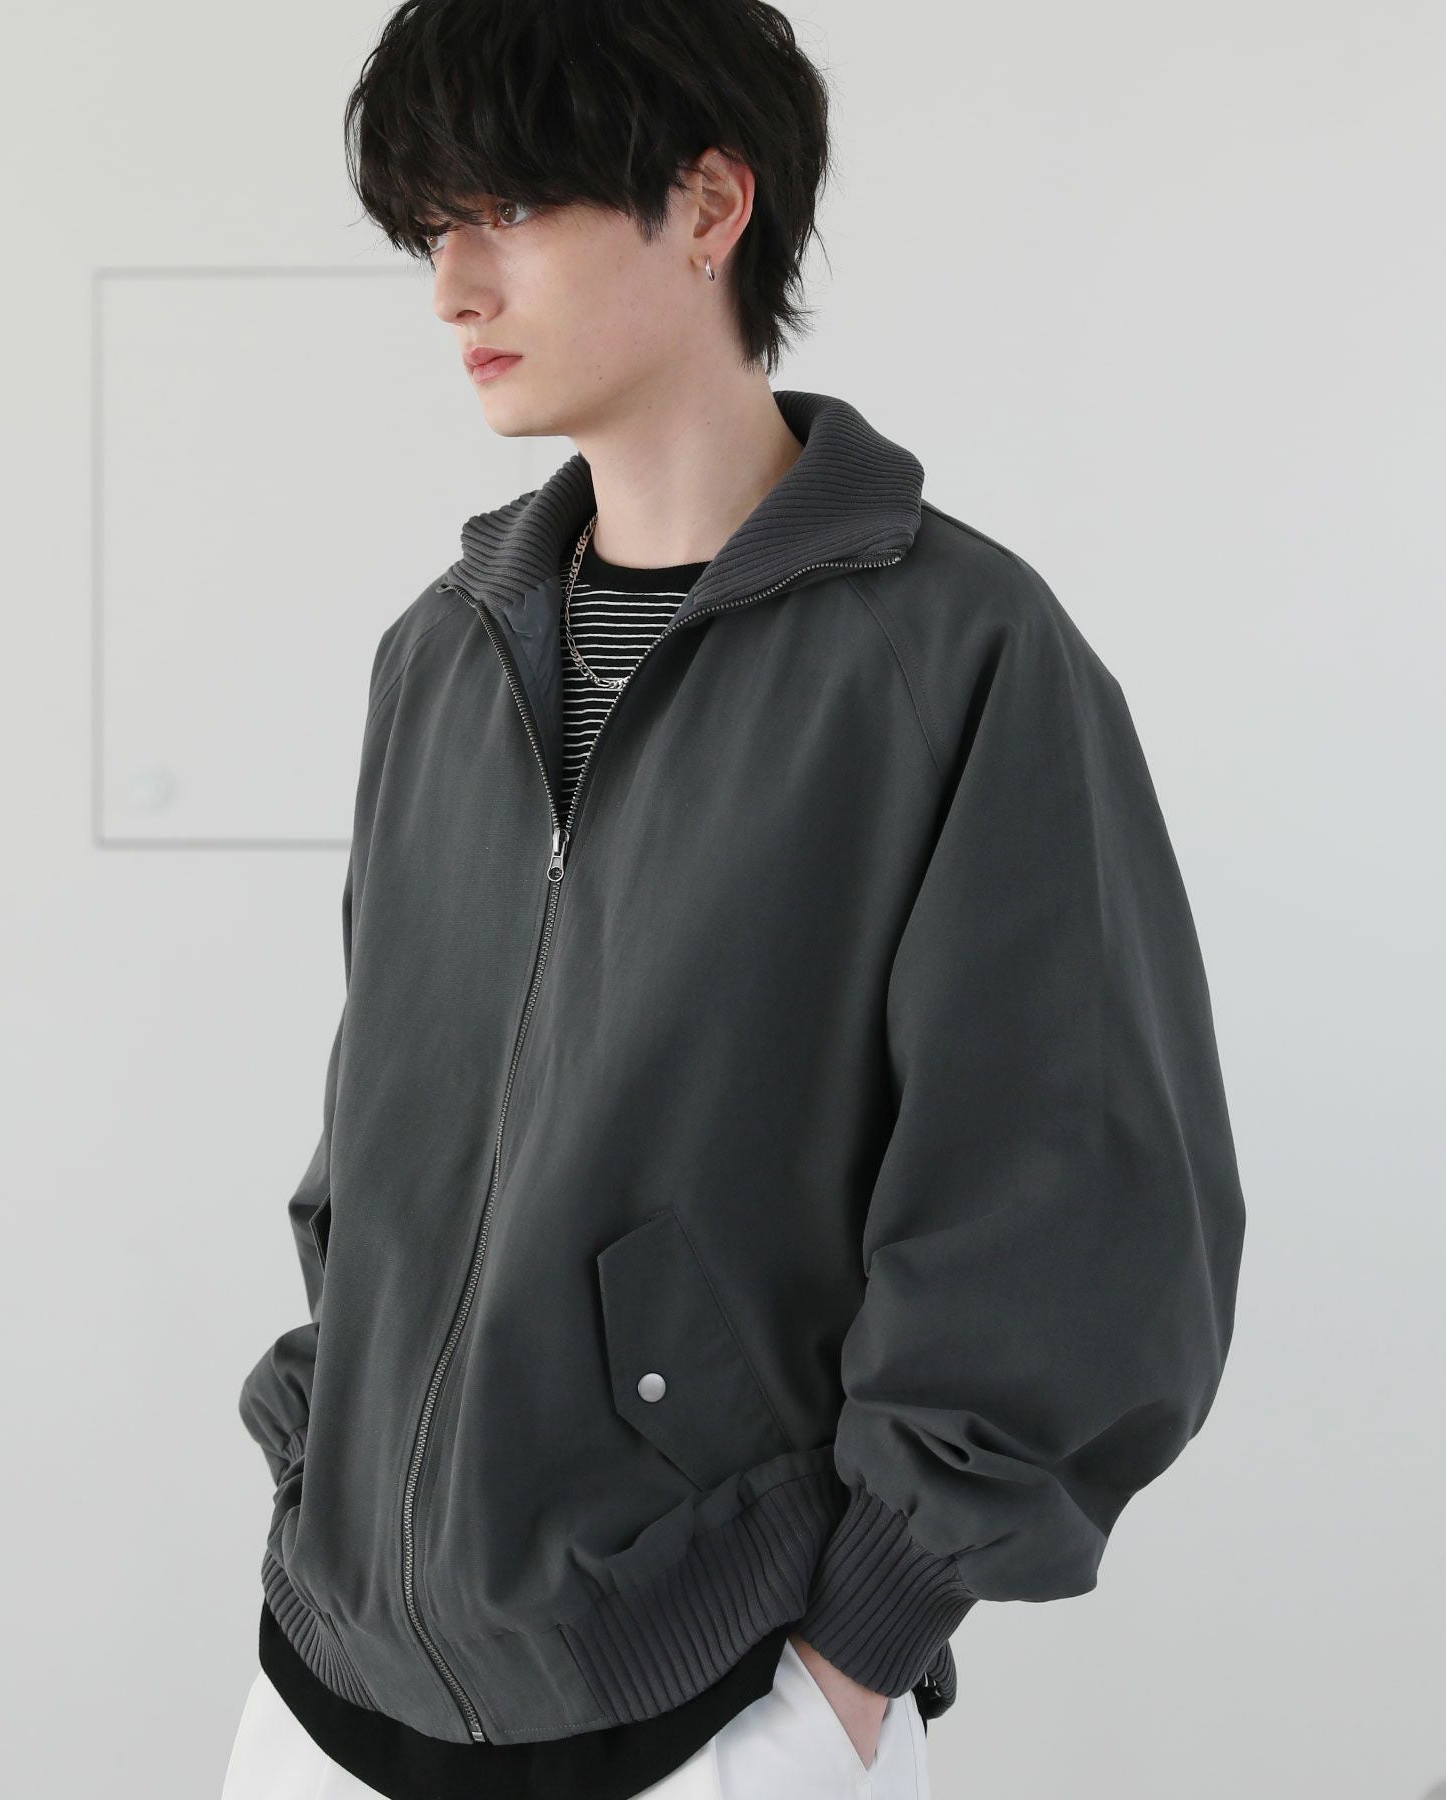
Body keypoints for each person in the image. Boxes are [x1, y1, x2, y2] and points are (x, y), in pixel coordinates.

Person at [222, 2, 1248, 1796]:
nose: (452, 286)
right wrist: (324, 1450)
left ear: (709, 206)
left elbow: (1074, 1208)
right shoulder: (442, 659)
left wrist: (853, 1658)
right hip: (326, 1691)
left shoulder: (956, 660)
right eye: (431, 229)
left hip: (718, 1702)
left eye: (507, 212)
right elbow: (378, 1152)